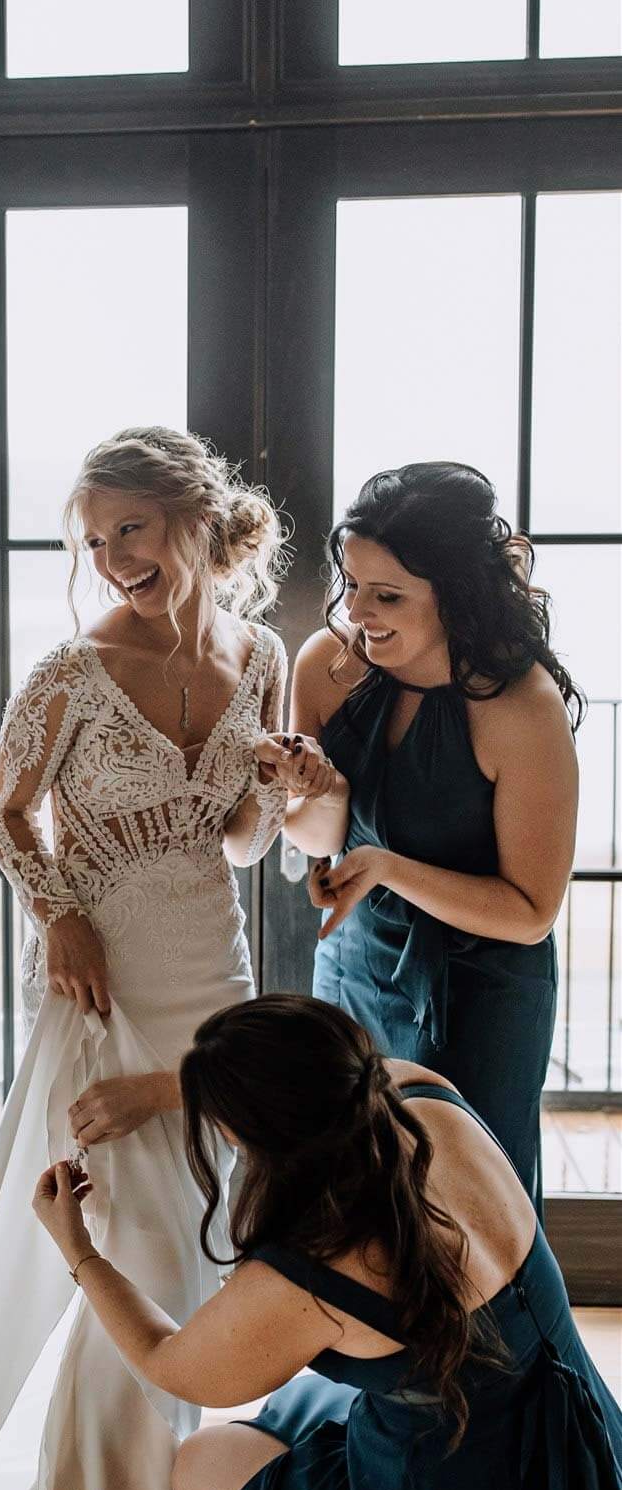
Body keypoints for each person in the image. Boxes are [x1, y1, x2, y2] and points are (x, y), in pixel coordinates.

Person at [33, 992, 622, 1490]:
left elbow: (173, 1363)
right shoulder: (424, 1098)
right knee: (304, 1416)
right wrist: (174, 1087)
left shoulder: (319, 1263)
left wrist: (79, 1251)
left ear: (254, 1135)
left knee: (198, 1469)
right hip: (583, 1459)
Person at [0, 426, 330, 1490]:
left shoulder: (263, 651)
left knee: (194, 1247)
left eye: (129, 526)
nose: (112, 554)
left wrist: (281, 792)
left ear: (193, 520)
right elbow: (5, 812)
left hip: (213, 968)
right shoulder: (70, 673)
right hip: (106, 978)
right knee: (126, 1248)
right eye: (94, 536)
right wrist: (61, 914)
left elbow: (235, 836)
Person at [286, 462, 582, 1208]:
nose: (357, 611)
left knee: (463, 1208)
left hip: (479, 989)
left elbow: (529, 911)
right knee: (350, 1187)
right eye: (349, 583)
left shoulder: (519, 707)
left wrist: (384, 866)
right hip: (356, 965)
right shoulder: (326, 666)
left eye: (387, 596)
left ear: (456, 596)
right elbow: (317, 838)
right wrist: (316, 803)